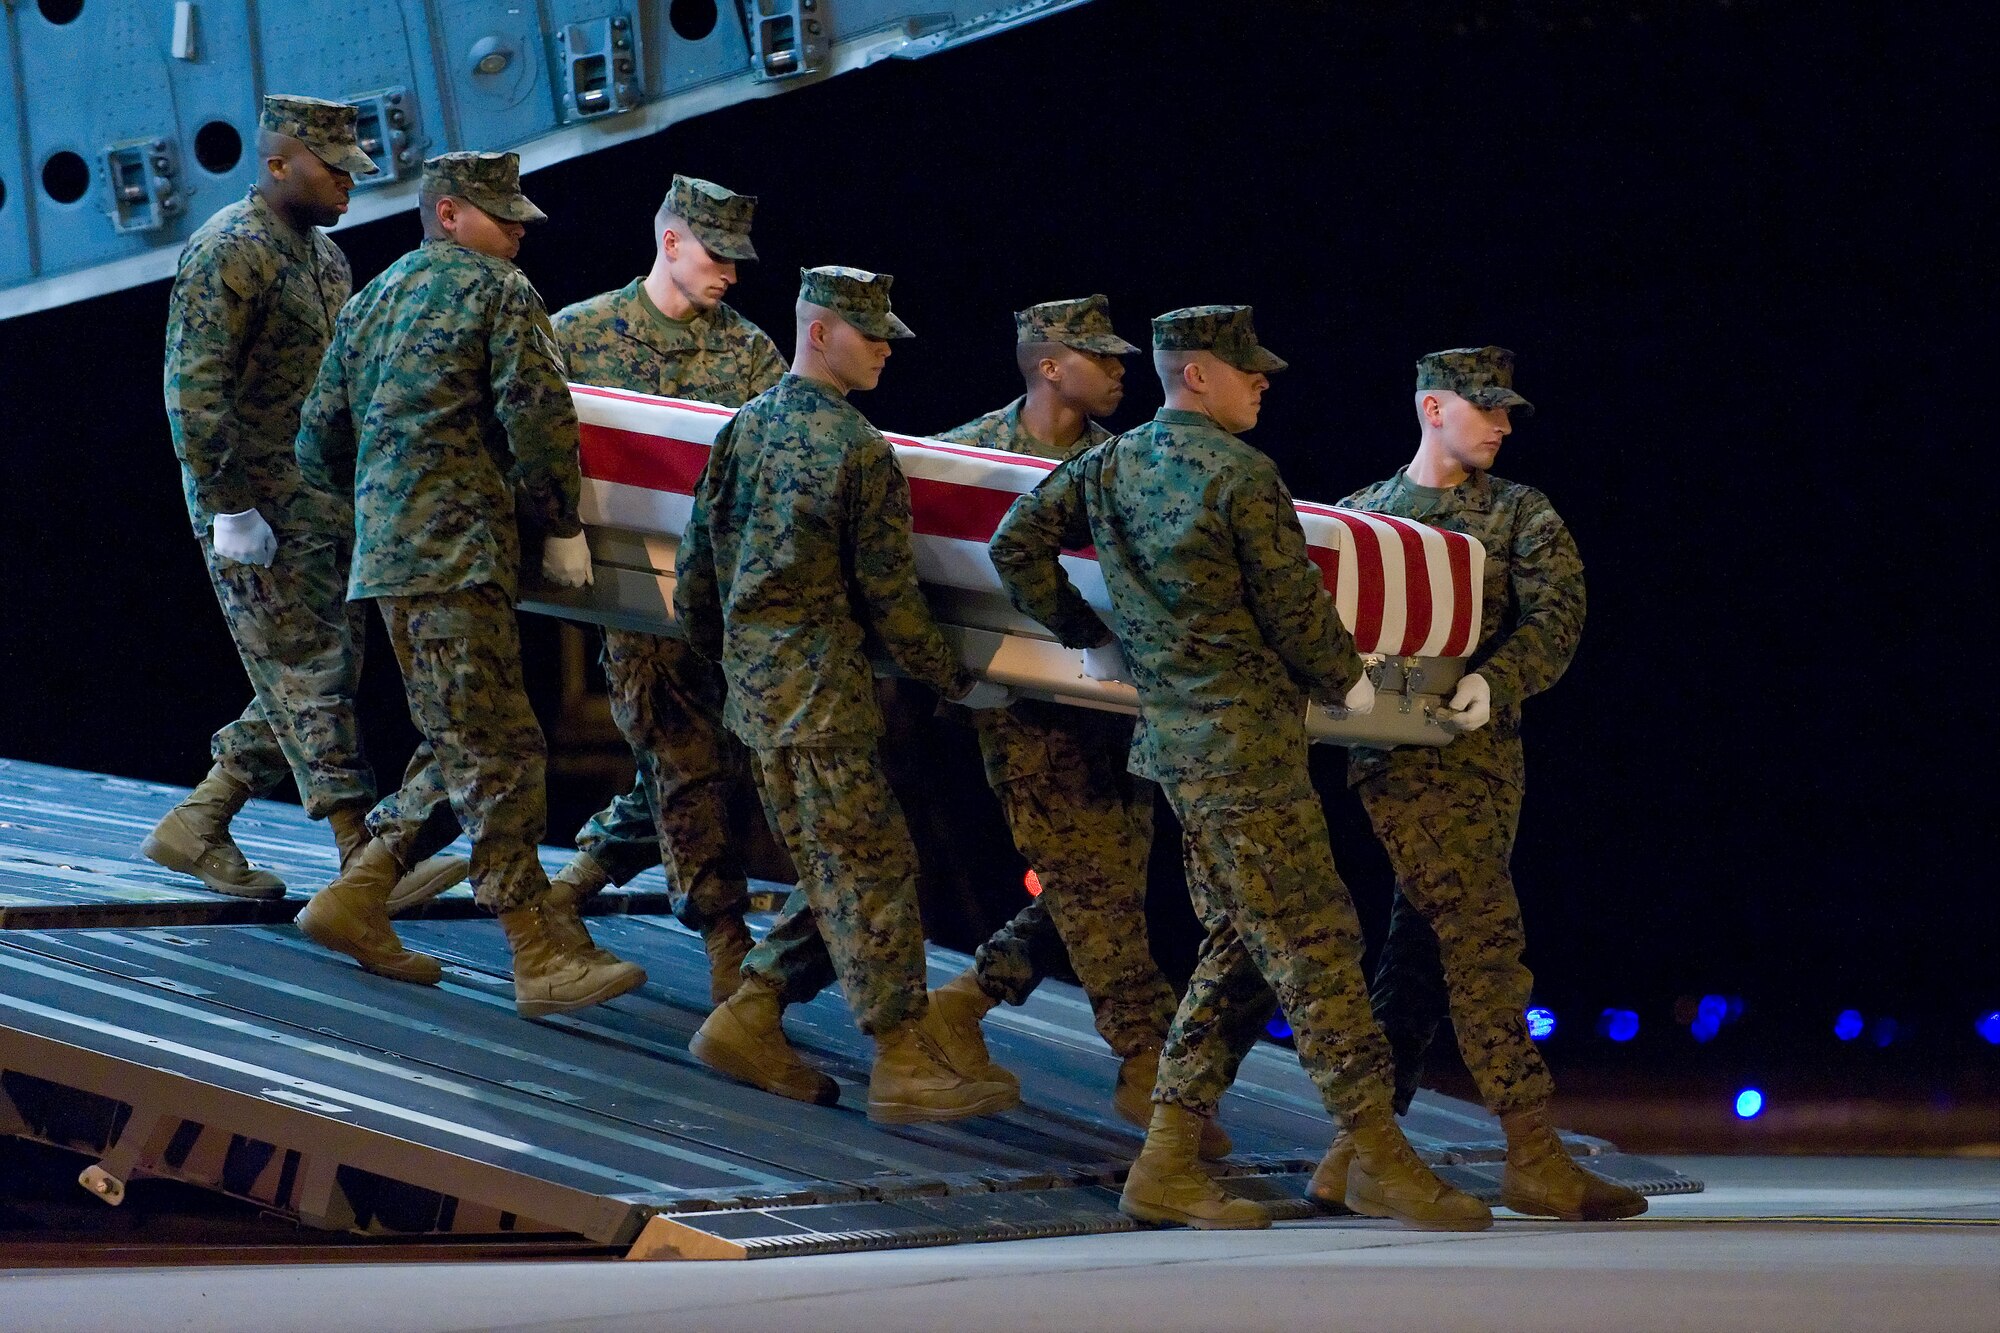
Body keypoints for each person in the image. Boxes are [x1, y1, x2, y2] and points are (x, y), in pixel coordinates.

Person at [990, 305, 1489, 1231]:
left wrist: (1096, 636)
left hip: (1178, 746)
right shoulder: (1241, 474)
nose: (1263, 382)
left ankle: (1167, 1160)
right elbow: (1300, 616)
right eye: (1247, 369)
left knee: (1242, 950)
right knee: (1317, 943)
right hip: (1249, 751)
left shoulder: (1107, 463)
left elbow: (1012, 543)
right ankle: (1379, 1156)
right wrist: (1351, 685)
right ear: (1196, 376)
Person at [293, 151, 644, 1018]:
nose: (520, 226)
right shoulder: (499, 292)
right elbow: (538, 415)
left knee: (457, 734)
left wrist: (386, 503)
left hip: (392, 558)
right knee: (501, 751)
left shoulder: (372, 299)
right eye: (501, 212)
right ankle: (535, 949)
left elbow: (316, 442)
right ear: (447, 213)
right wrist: (560, 521)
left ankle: (359, 892)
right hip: (460, 553)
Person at [674, 266, 1018, 1124]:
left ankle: (750, 1013)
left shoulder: (742, 431)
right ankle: (901, 1058)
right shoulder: (859, 451)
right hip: (823, 699)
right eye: (872, 336)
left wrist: (738, 665)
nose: (887, 351)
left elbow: (695, 580)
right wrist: (957, 680)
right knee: (870, 872)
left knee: (848, 865)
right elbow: (893, 603)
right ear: (819, 332)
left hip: (759, 699)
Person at [1311, 347, 1645, 1221]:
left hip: (1487, 765)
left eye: (1506, 413)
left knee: (1417, 961)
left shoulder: (1520, 514)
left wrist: (1495, 680)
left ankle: (1353, 1151)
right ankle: (1531, 1151)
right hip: (1401, 765)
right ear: (1432, 408)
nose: (1500, 425)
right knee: (1484, 943)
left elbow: (1559, 619)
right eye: (1484, 408)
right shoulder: (1360, 521)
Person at [924, 295, 1220, 1155]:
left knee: (1100, 893)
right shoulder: (962, 459)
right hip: (1021, 713)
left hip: (1112, 717)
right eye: (1103, 357)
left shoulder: (1122, 464)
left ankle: (962, 1002)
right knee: (1094, 890)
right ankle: (1147, 1061)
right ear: (1050, 365)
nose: (1124, 371)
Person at [152, 93, 464, 907]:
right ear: (278, 162)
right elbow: (193, 392)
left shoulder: (325, 259)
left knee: (321, 669)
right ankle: (362, 861)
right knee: (312, 675)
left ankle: (200, 819)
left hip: (317, 503)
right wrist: (230, 507)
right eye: (335, 170)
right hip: (252, 505)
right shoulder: (229, 250)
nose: (350, 185)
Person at [526, 175, 785, 1004]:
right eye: (717, 256)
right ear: (670, 242)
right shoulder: (577, 334)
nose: (731, 276)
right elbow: (534, 438)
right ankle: (724, 937)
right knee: (685, 755)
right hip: (633, 600)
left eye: (740, 261)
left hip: (727, 607)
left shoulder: (749, 353)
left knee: (702, 764)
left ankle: (569, 889)